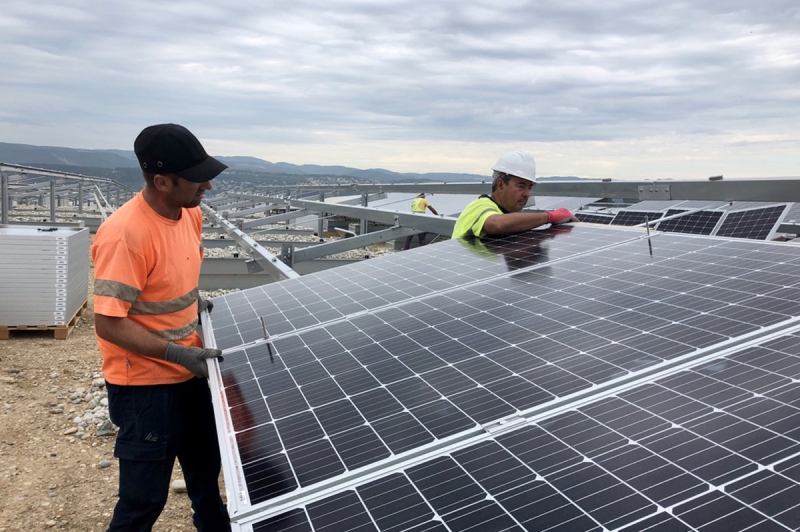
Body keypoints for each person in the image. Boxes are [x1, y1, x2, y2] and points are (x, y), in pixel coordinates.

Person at [91, 123, 231, 531]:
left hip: (191, 372)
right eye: (196, 177)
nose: (207, 185)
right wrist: (176, 352)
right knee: (143, 498)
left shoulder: (190, 215)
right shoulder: (125, 235)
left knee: (207, 475)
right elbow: (109, 323)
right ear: (161, 181)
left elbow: (172, 282)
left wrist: (194, 305)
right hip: (146, 388)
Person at [452, 150, 577, 239]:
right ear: (500, 185)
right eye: (521, 186)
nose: (527, 194)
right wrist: (550, 216)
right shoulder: (480, 206)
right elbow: (496, 224)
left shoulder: (505, 214)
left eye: (529, 187)